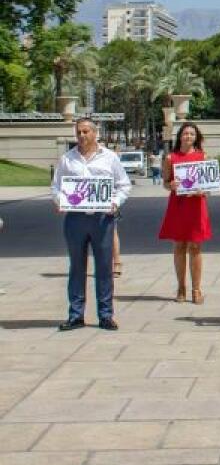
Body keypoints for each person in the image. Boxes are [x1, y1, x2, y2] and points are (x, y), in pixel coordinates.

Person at [52, 117, 132, 331]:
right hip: (75, 219)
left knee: (104, 268)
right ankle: (75, 315)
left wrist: (115, 203)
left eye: (86, 131)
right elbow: (56, 186)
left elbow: (124, 185)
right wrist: (59, 200)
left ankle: (105, 315)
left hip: (102, 219)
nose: (82, 136)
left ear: (95, 133)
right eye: (78, 132)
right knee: (76, 267)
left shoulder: (110, 158)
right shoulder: (67, 159)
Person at [158, 122, 213, 304]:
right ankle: (181, 287)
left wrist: (203, 190)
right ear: (180, 136)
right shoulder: (170, 158)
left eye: (192, 134)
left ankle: (196, 289)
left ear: (196, 137)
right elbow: (166, 182)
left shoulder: (203, 157)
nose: (188, 136)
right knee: (179, 245)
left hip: (197, 205)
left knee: (196, 246)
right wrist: (170, 185)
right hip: (179, 205)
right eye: (185, 133)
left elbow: (209, 186)